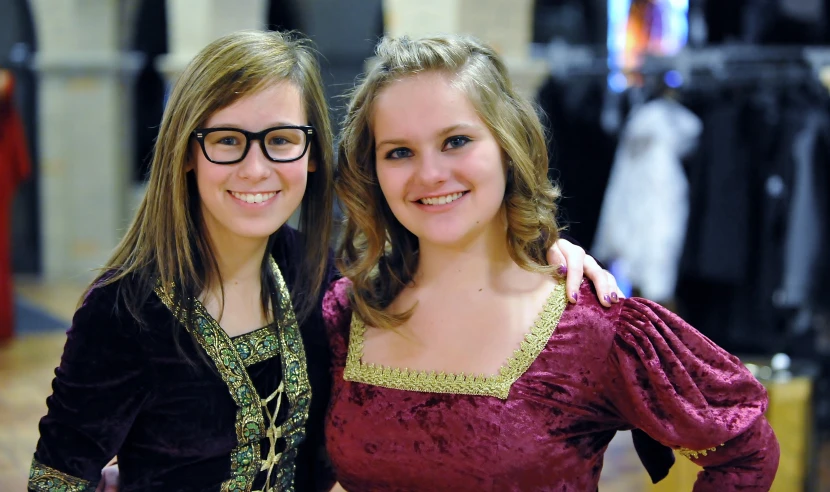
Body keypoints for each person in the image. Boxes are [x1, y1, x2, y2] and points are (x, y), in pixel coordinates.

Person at [28, 31, 615, 492]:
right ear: (187, 152)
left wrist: (539, 250)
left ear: (312, 154)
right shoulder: (125, 307)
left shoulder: (321, 284)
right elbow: (58, 475)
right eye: (228, 140)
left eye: (281, 140)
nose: (256, 169)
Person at [323, 34, 780, 491]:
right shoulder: (344, 314)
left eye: (456, 141)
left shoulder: (595, 327)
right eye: (398, 152)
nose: (429, 174)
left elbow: (746, 450)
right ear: (373, 170)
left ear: (509, 146)